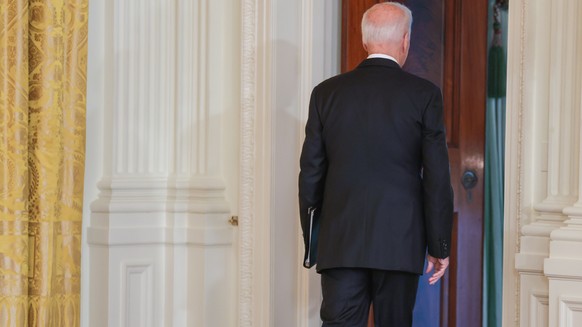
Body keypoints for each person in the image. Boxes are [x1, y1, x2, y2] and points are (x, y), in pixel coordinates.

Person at [298, 2, 454, 326]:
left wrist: (314, 241)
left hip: (341, 243)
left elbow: (311, 174)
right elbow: (436, 177)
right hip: (400, 243)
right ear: (406, 40)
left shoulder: (325, 94)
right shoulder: (424, 94)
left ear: (365, 40)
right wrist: (439, 244)